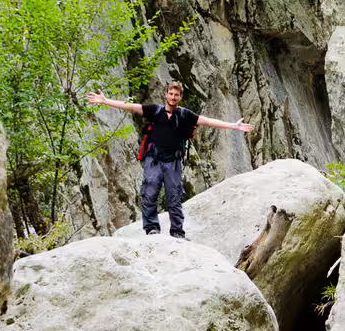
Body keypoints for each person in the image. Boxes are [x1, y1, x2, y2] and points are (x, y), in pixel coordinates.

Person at [85, 82, 253, 238]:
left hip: (173, 161)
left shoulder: (185, 115)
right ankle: (151, 229)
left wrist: (233, 126)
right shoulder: (155, 111)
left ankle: (177, 231)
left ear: (180, 97)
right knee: (149, 194)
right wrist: (106, 101)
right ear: (166, 94)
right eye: (171, 94)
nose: (173, 97)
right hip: (154, 159)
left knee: (174, 197)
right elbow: (131, 106)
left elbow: (207, 121)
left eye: (176, 95)